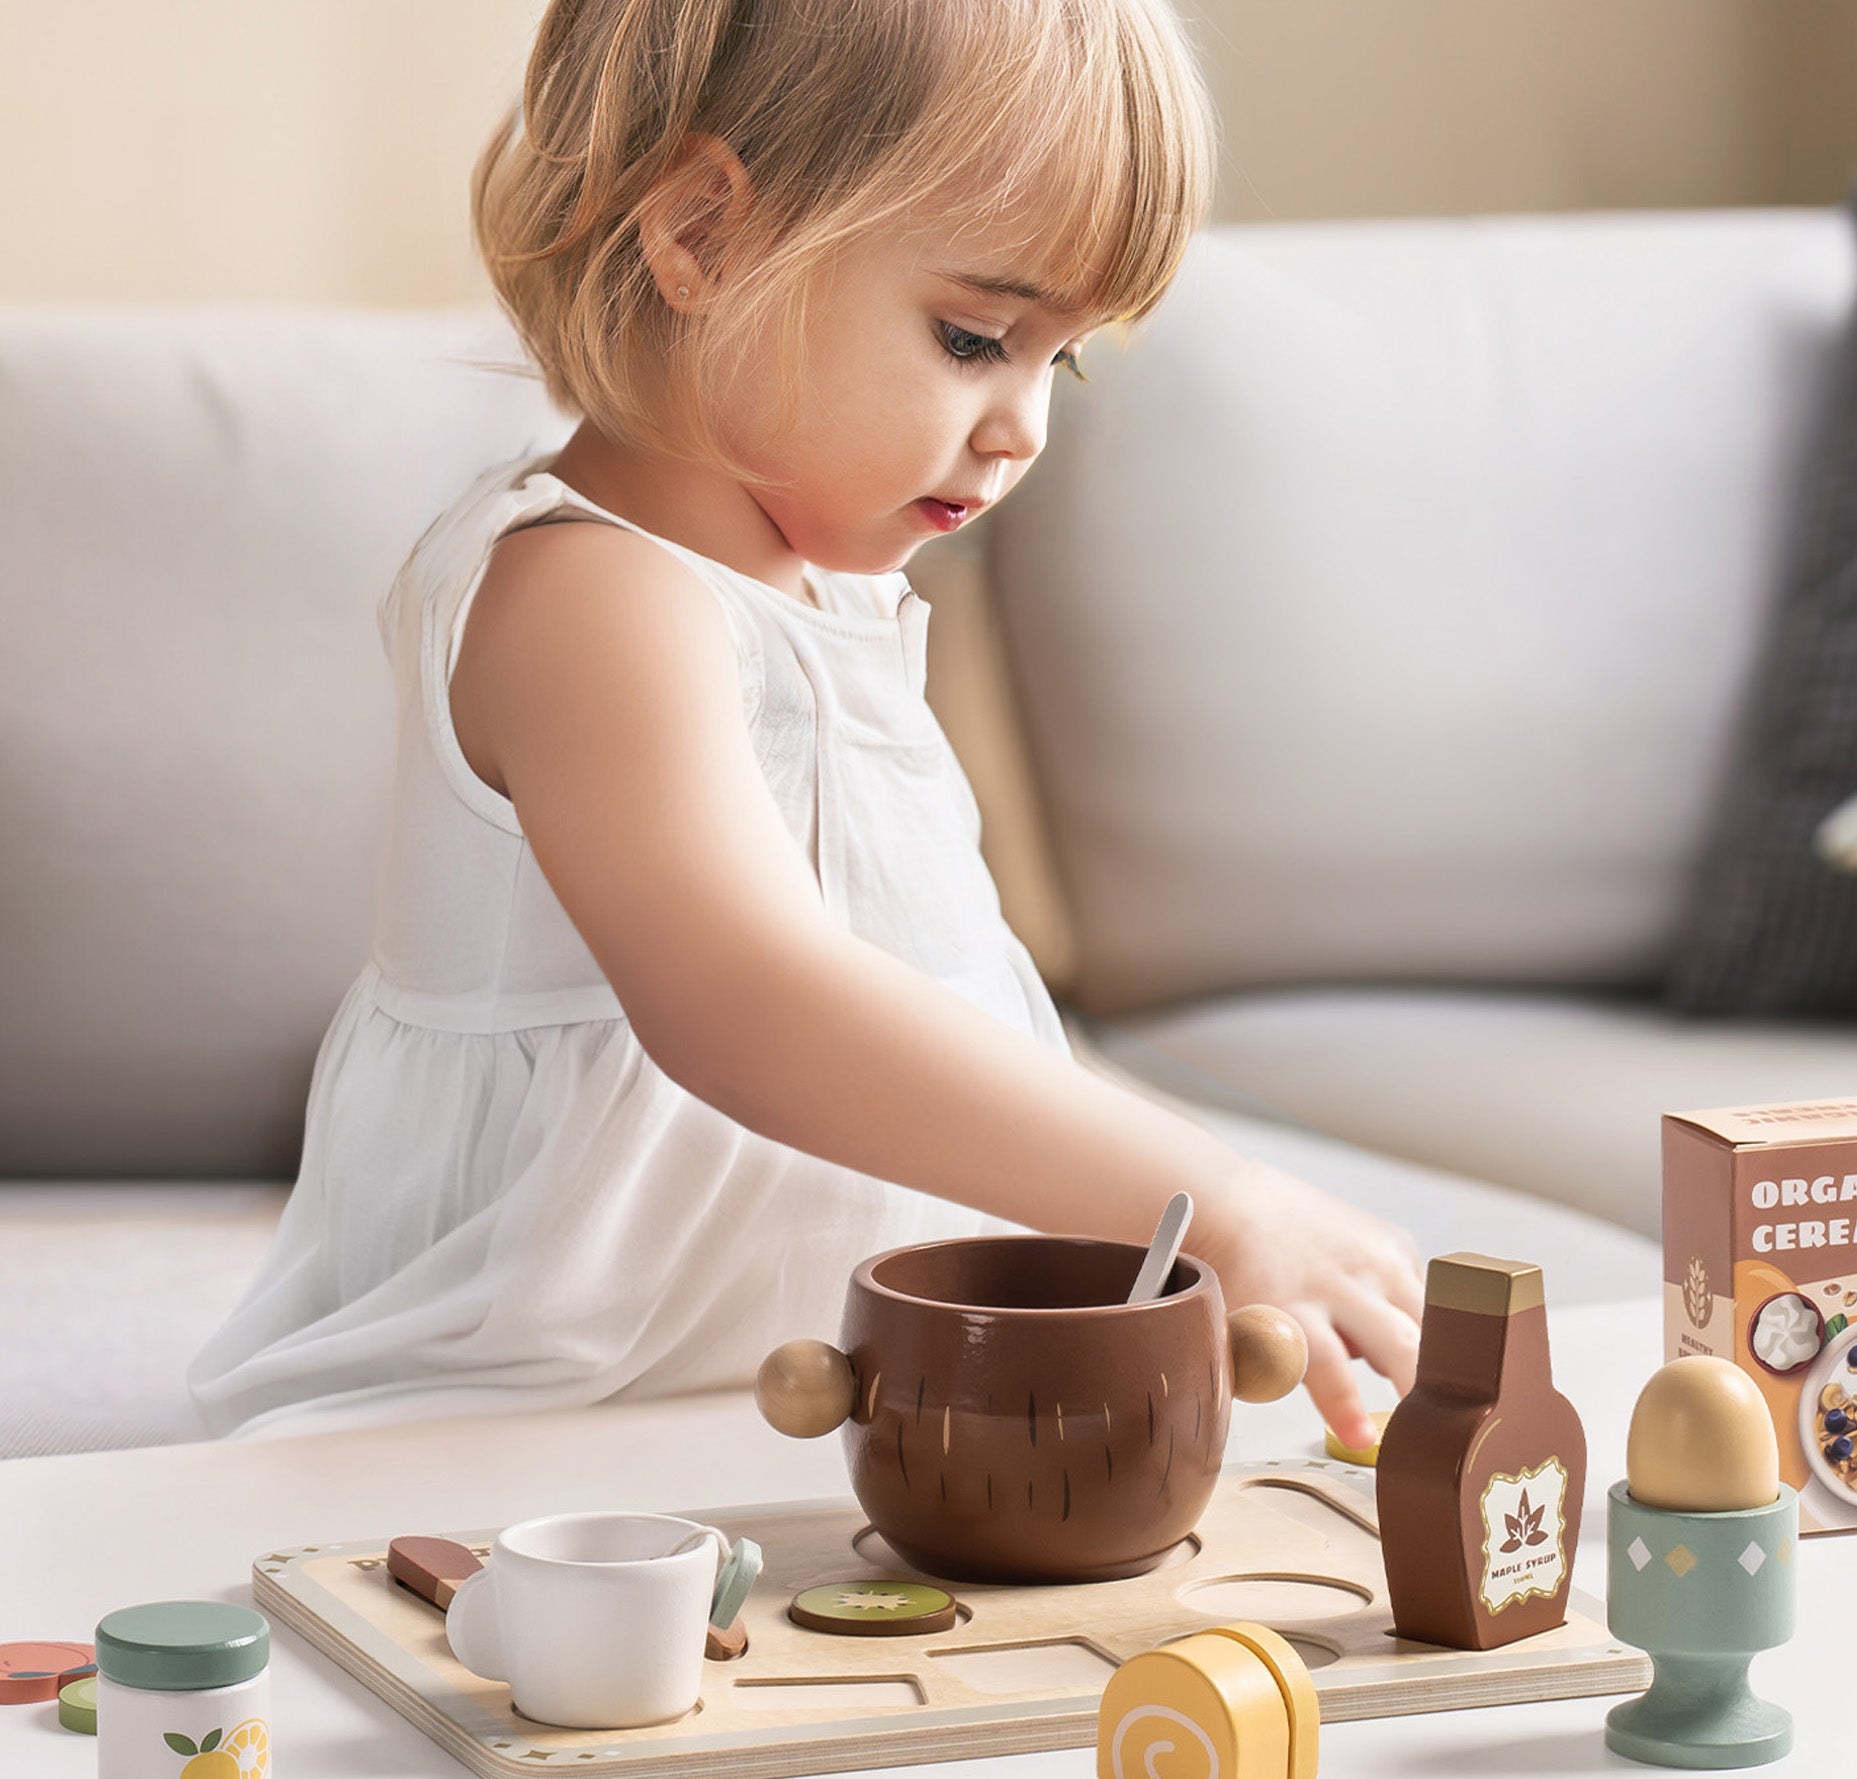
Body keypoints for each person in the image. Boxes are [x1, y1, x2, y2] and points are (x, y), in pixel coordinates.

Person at [189, 0, 1422, 1442]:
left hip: (815, 1422)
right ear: (701, 237)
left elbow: (954, 1031)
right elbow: (751, 1006)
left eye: (1057, 360)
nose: (1022, 425)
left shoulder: (836, 613)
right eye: (974, 336)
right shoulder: (590, 593)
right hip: (509, 1430)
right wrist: (1221, 1199)